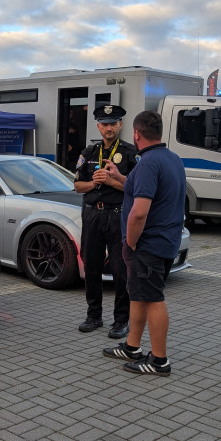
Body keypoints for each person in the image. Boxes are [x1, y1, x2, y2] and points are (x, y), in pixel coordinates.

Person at [102, 110, 186, 375]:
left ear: (136, 134)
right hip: (165, 240)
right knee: (138, 295)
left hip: (148, 244)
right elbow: (143, 187)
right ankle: (132, 346)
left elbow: (139, 212)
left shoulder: (148, 163)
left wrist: (131, 242)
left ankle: (159, 361)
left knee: (153, 299)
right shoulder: (171, 158)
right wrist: (119, 177)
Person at [74, 105, 137, 339]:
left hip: (118, 215)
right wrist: (95, 183)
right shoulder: (89, 152)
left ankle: (121, 320)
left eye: (113, 123)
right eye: (104, 124)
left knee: (121, 269)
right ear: (98, 126)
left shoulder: (131, 153)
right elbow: (77, 185)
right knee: (91, 265)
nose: (108, 128)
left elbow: (137, 188)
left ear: (120, 125)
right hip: (93, 215)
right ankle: (94, 315)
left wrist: (111, 182)